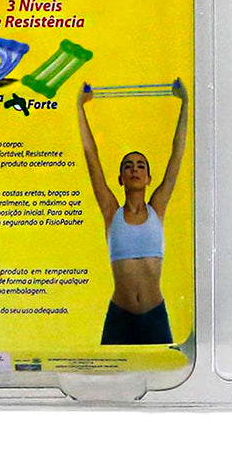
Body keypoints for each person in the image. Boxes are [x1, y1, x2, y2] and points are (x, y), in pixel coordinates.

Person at [76, 79, 189, 344]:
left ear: (149, 178)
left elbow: (177, 154)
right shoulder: (111, 212)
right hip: (119, 317)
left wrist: (185, 103)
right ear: (121, 178)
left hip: (155, 316)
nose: (134, 169)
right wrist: (80, 107)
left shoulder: (157, 208)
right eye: (128, 166)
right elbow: (91, 156)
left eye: (140, 166)